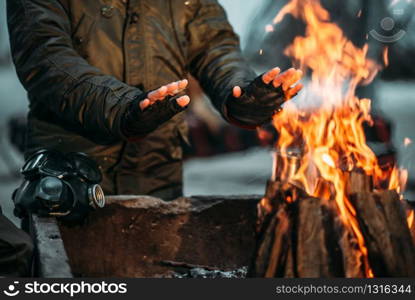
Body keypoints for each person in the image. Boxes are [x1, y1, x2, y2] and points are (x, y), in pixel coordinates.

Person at [7, 0, 302, 201]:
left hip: (159, 181)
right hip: (68, 183)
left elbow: (216, 48)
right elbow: (45, 58)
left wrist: (241, 95)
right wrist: (122, 107)